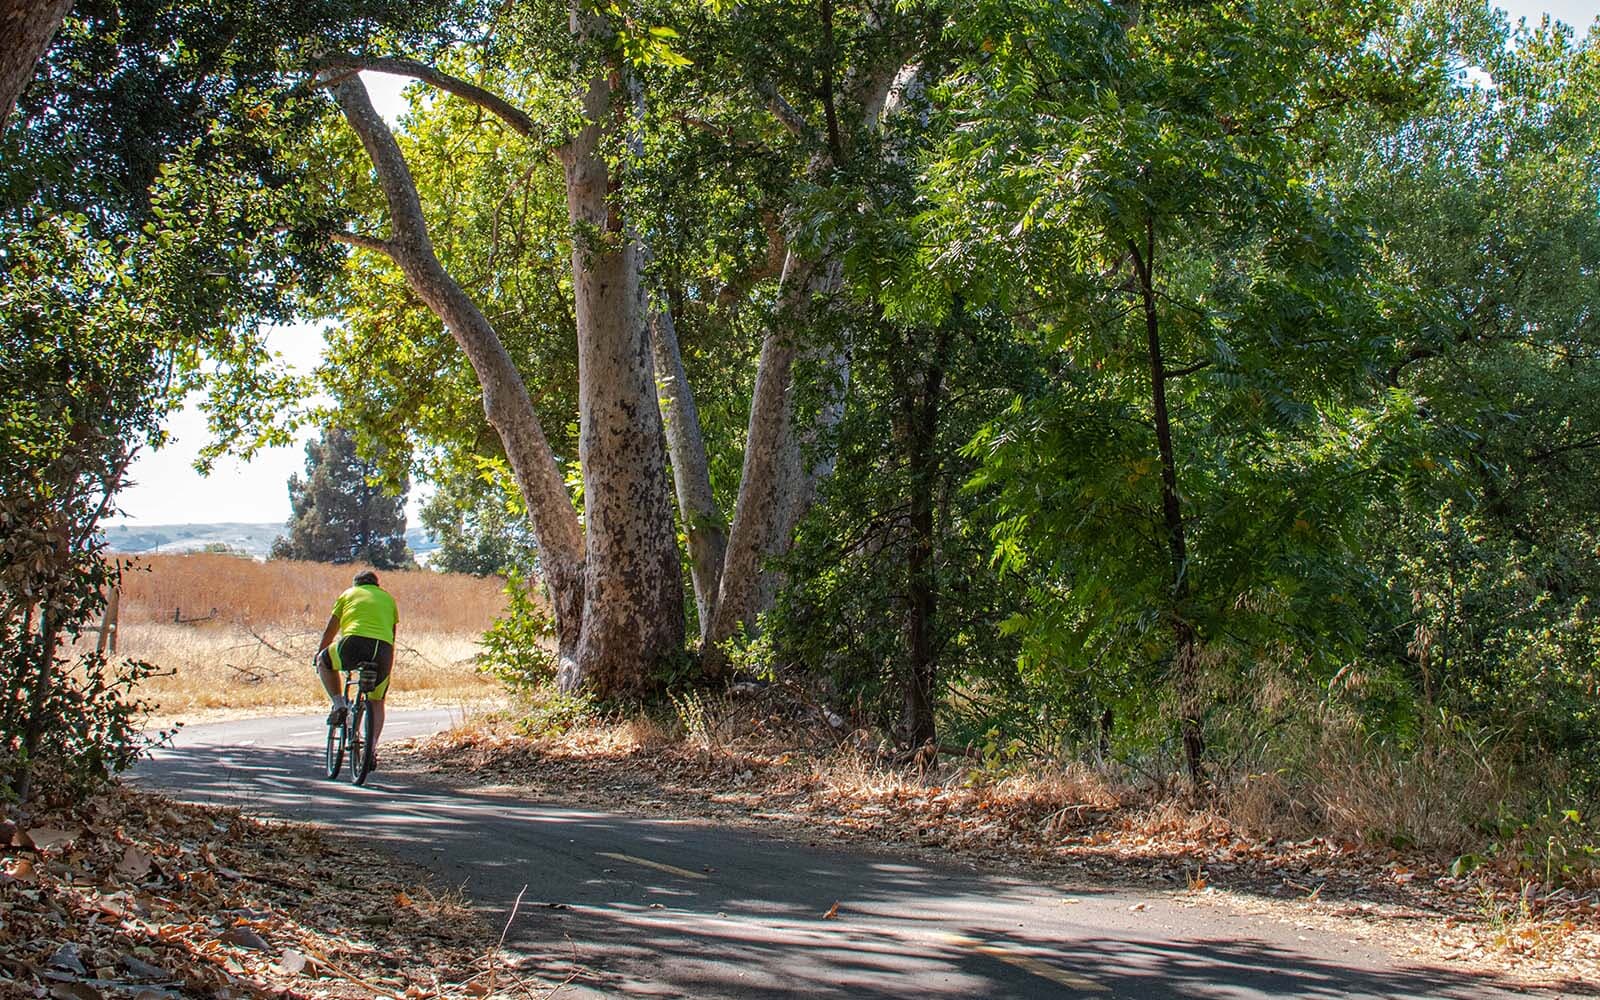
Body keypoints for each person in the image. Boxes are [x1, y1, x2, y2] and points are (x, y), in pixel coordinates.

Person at [314, 569, 399, 761]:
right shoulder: (388, 599)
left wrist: (320, 651)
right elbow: (392, 634)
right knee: (377, 701)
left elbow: (331, 628)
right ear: (376, 585)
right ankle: (372, 748)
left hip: (353, 643)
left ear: (356, 584)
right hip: (383, 649)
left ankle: (339, 705)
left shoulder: (348, 594)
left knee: (324, 661)